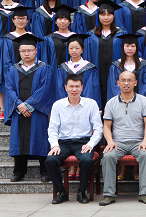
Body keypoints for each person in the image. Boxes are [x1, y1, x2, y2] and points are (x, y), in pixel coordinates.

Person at [99, 70, 146, 206]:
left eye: (130, 80)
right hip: (118, 143)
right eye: (123, 80)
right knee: (108, 156)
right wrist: (110, 142)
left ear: (135, 83)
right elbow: (106, 126)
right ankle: (108, 194)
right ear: (118, 83)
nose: (126, 83)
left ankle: (145, 193)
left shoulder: (143, 101)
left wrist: (145, 141)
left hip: (138, 142)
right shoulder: (111, 103)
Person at [46, 73, 103, 204]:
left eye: (77, 86)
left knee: (86, 159)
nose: (74, 89)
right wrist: (54, 145)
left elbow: (98, 128)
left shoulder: (91, 104)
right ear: (65, 87)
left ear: (82, 87)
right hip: (63, 143)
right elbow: (53, 129)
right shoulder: (58, 105)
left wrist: (91, 144)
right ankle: (61, 192)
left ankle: (82, 192)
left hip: (83, 142)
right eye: (71, 86)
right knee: (50, 160)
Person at [4, 34, 53, 182]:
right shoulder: (13, 69)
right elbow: (9, 88)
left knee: (41, 138)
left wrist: (28, 105)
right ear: (19, 51)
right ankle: (19, 171)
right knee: (19, 140)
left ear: (36, 51)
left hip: (37, 110)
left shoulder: (44, 68)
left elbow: (44, 89)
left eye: (29, 50)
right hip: (18, 110)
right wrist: (19, 104)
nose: (26, 53)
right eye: (23, 51)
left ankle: (45, 171)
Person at [0, 5, 33, 119]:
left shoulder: (32, 38)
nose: (20, 21)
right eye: (18, 18)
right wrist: (13, 74)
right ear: (13, 20)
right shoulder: (6, 39)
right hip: (14, 75)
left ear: (27, 20)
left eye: (23, 18)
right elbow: (6, 61)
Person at [85, 0, 124, 105]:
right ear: (98, 16)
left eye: (109, 14)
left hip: (115, 72)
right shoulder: (91, 35)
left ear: (113, 16)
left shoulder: (121, 34)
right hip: (97, 72)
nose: (106, 18)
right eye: (103, 14)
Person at [54, 34, 101, 108]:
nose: (74, 50)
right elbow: (60, 89)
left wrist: (85, 105)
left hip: (85, 107)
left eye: (77, 48)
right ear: (68, 50)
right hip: (66, 107)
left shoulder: (89, 68)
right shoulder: (62, 68)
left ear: (82, 49)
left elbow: (91, 90)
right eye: (71, 48)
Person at [108, 33, 146, 102]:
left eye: (133, 46)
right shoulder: (116, 66)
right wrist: (123, 100)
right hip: (121, 103)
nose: (130, 48)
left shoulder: (144, 65)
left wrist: (138, 100)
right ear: (123, 47)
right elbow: (114, 87)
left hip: (139, 103)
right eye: (127, 46)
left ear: (137, 47)